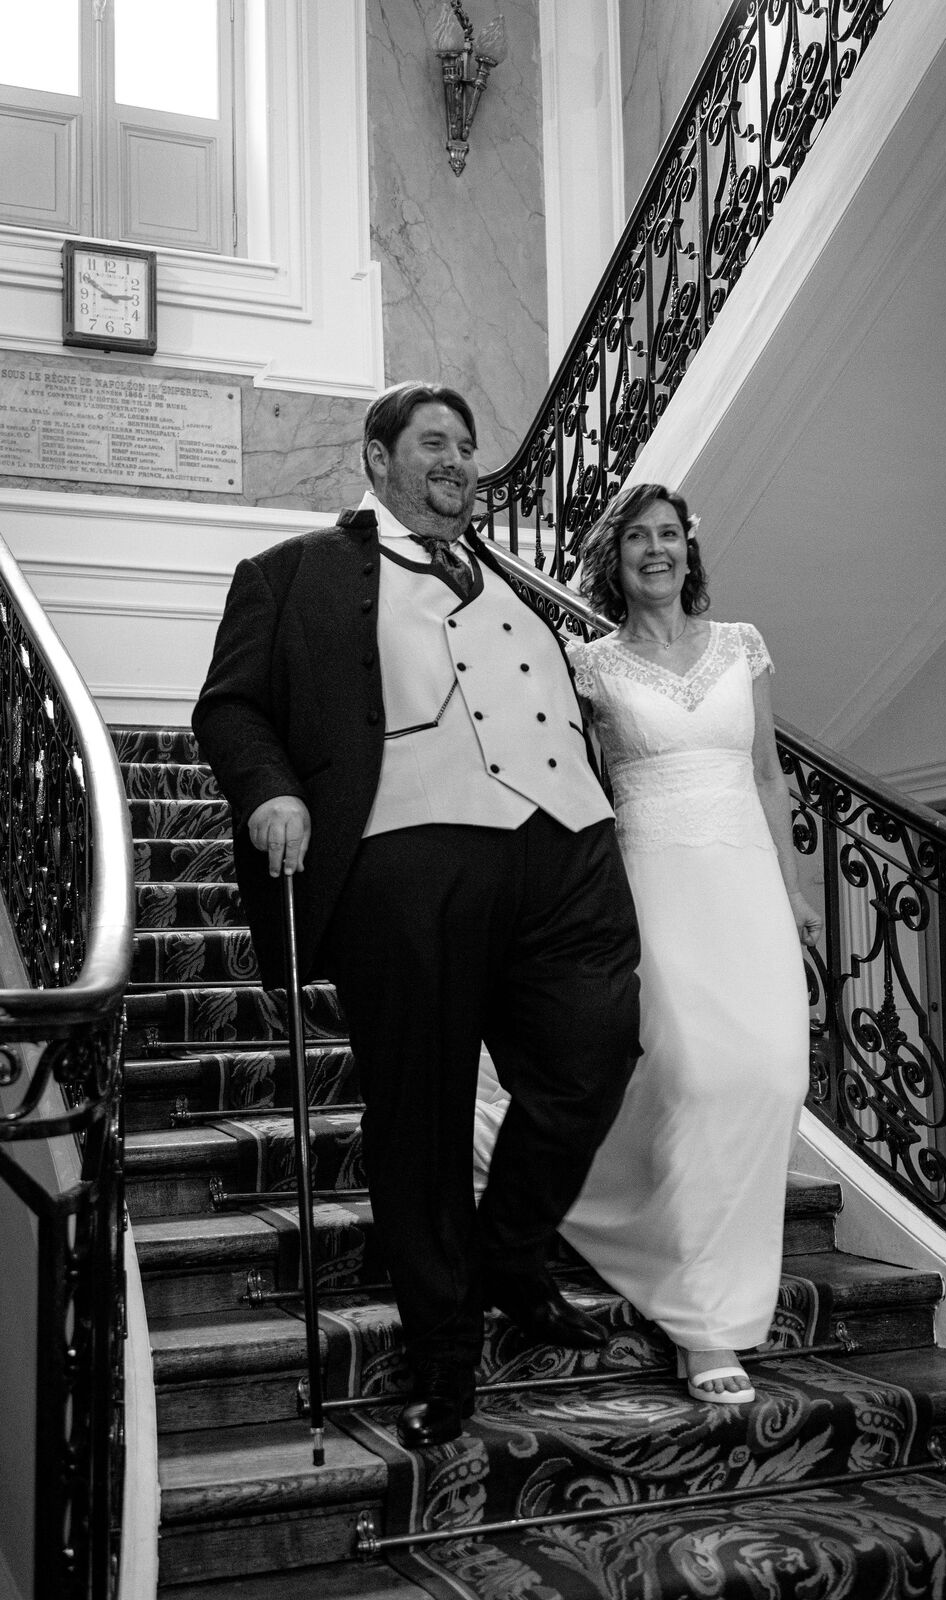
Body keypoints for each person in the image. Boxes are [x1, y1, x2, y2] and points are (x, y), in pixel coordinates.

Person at [192, 382, 642, 1450]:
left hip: (565, 845)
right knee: (423, 1115)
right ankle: (445, 1348)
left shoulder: (509, 582)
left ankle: (509, 1252)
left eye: (467, 445)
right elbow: (231, 705)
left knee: (593, 1053)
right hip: (408, 855)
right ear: (377, 457)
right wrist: (270, 792)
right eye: (432, 441)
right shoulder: (293, 572)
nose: (457, 459)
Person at [476, 480, 821, 1403]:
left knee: (774, 1077)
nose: (656, 550)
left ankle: (595, 1193)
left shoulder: (741, 647)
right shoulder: (588, 667)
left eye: (669, 534)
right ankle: (706, 1325)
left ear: (688, 549)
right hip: (653, 889)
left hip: (747, 883)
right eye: (638, 537)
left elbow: (767, 775)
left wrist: (792, 889)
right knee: (694, 1078)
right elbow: (565, 784)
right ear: (614, 556)